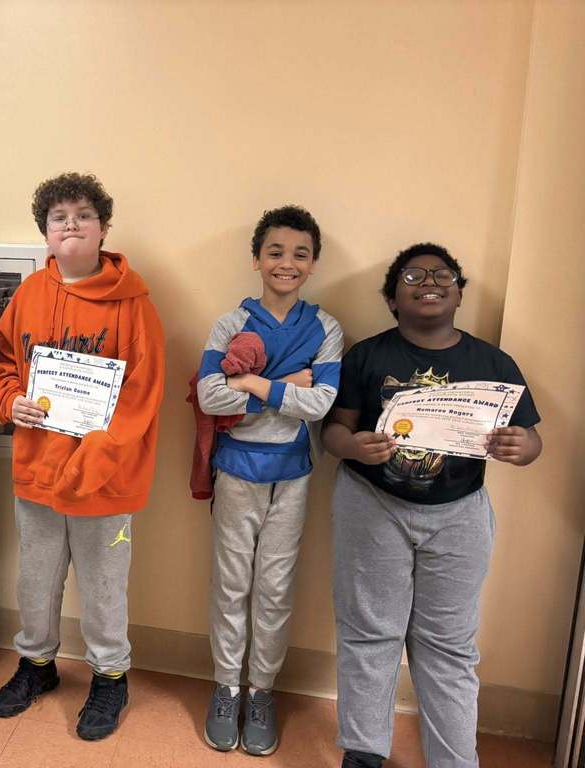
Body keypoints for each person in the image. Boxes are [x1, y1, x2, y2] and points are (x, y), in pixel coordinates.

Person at [321, 243, 542, 768]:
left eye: (443, 274)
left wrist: (521, 448)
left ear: (459, 292)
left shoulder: (493, 361)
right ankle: (365, 751)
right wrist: (352, 446)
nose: (430, 281)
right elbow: (333, 431)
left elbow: (531, 440)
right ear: (393, 298)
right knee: (369, 631)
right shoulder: (369, 355)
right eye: (413, 274)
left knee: (449, 646)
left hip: (460, 512)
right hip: (372, 505)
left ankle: (453, 760)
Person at [0, 172, 165, 741]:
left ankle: (110, 675)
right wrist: (10, 401)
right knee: (34, 582)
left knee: (104, 586)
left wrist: (88, 462)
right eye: (59, 217)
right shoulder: (30, 296)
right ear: (44, 232)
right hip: (37, 473)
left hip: (103, 480)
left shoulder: (135, 304)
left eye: (83, 215)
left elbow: (141, 397)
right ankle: (37, 664)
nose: (70, 224)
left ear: (103, 228)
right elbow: (4, 366)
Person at [196, 205, 342, 756]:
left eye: (300, 254)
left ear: (313, 264)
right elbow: (211, 396)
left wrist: (253, 385)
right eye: (275, 252)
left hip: (294, 476)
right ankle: (227, 688)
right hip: (237, 472)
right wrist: (280, 383)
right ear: (257, 259)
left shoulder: (325, 328)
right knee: (232, 584)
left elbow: (322, 402)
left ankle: (261, 691)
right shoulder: (231, 325)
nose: (287, 263)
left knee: (275, 590)